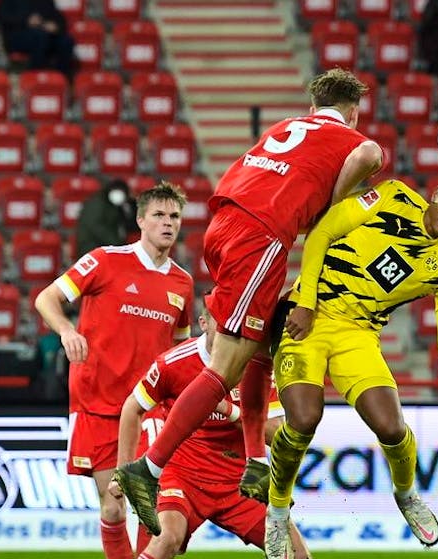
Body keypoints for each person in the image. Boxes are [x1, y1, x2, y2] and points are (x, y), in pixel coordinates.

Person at [115, 68, 384, 537]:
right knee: (225, 368)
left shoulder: (284, 129)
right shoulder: (359, 144)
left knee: (261, 348)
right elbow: (328, 213)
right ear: (355, 110)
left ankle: (256, 462)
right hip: (259, 238)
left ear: (312, 107)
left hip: (223, 225)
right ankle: (149, 470)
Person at [265, 173, 438, 557]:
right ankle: (277, 513)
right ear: (436, 193)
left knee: (392, 427)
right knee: (303, 419)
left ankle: (407, 495)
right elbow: (322, 232)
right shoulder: (391, 197)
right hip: (309, 317)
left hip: (358, 336)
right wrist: (306, 301)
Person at [34, 183, 193, 559]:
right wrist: (67, 330)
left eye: (174, 216)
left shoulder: (182, 283)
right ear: (140, 220)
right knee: (112, 506)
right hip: (97, 404)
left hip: (147, 408)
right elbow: (47, 298)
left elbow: (180, 348)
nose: (167, 224)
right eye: (158, 215)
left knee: (150, 508)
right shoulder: (105, 260)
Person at [109, 302, 311, 559]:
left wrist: (231, 411)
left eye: (235, 326)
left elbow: (276, 435)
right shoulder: (173, 363)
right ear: (204, 325)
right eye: (224, 324)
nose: (231, 331)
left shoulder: (256, 366)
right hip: (181, 476)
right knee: (166, 541)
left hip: (238, 482)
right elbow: (132, 408)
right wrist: (122, 470)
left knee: (295, 554)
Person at [0, 0, 76, 82]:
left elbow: (58, 17)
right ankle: (35, 78)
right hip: (17, 37)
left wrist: (55, 25)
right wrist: (26, 21)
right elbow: (3, 17)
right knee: (40, 37)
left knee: (66, 41)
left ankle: (61, 79)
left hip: (44, 34)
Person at [75, 178, 138, 257]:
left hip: (105, 248)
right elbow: (97, 227)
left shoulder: (115, 205)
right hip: (91, 248)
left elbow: (131, 224)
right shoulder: (96, 204)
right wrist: (117, 244)